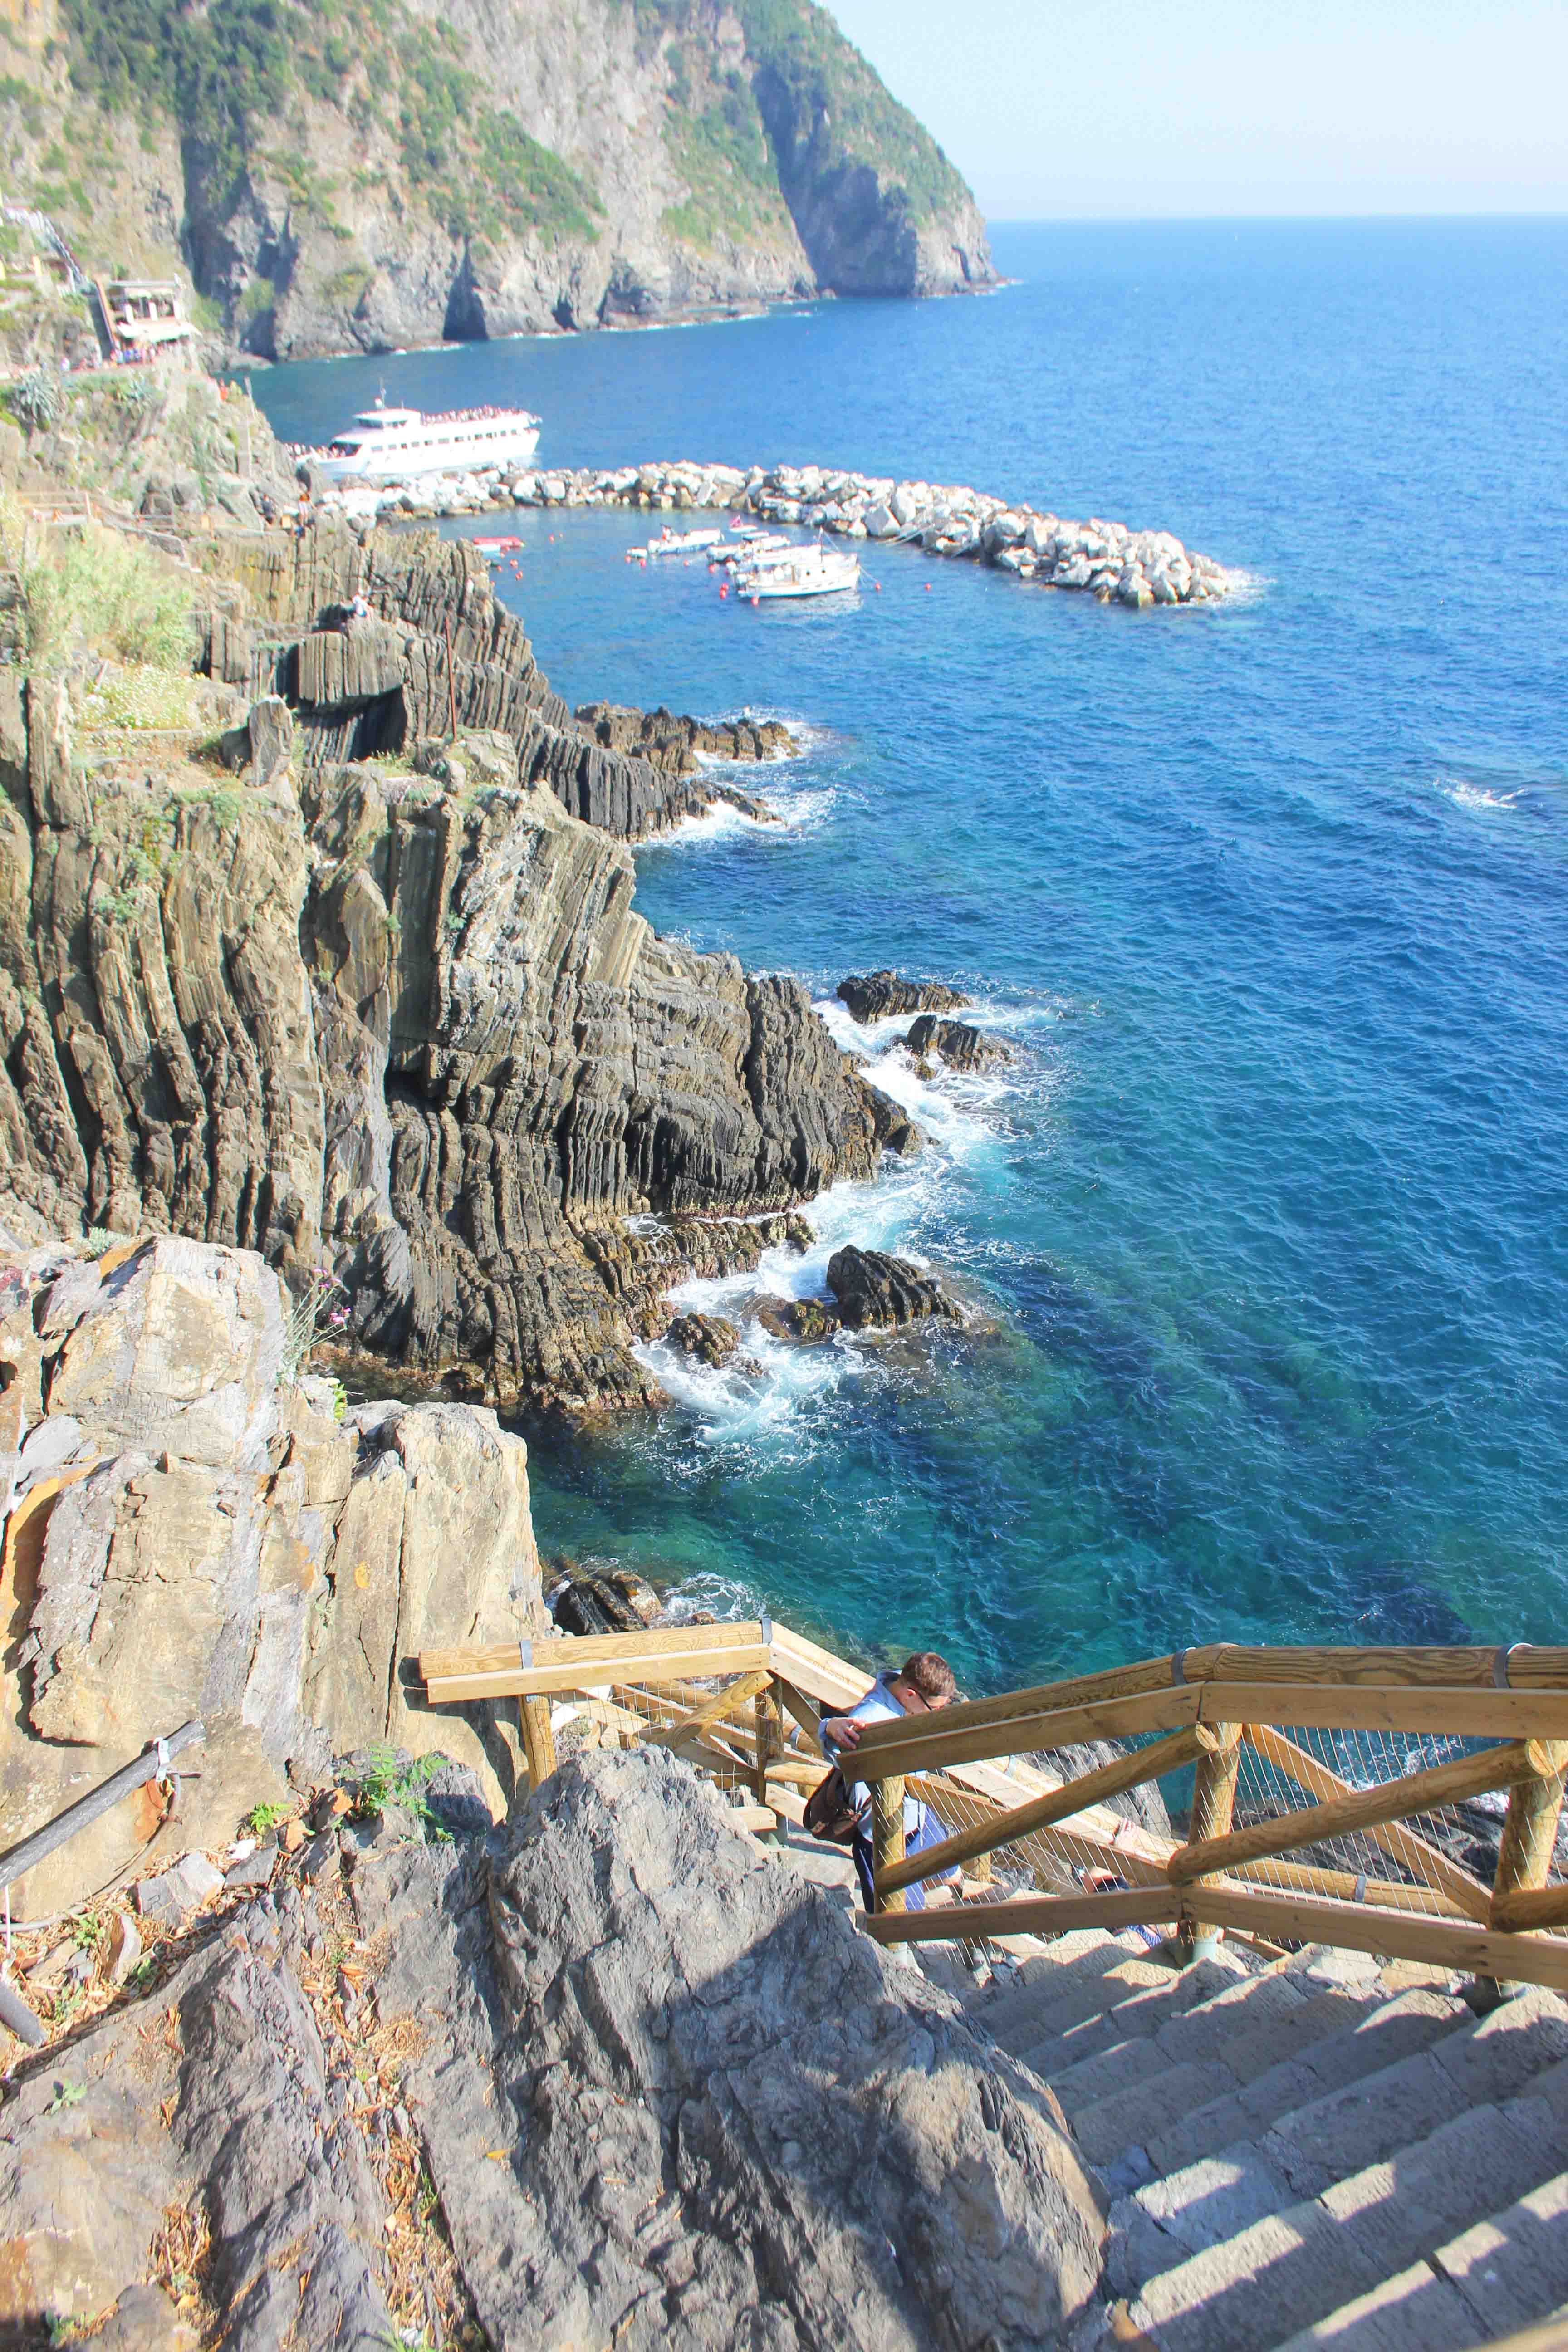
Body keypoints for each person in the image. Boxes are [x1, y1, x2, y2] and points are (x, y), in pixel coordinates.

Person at [819, 1651, 963, 1912]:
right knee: (900, 1918)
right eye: (935, 1710)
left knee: (951, 1871)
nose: (936, 1716)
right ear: (910, 1696)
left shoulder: (901, 1683)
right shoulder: (872, 1720)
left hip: (917, 1815)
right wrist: (830, 1727)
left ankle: (920, 1893)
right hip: (882, 1837)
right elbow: (836, 1750)